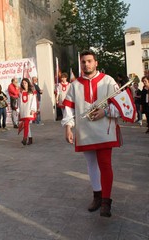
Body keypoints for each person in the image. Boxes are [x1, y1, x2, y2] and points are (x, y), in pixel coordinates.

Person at [62, 50, 121, 217]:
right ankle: (97, 195)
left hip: (105, 130)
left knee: (105, 164)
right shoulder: (74, 85)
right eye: (83, 62)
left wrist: (106, 111)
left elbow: (121, 104)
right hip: (85, 130)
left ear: (96, 63)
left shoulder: (108, 81)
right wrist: (68, 126)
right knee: (91, 164)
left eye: (89, 61)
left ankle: (106, 201)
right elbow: (69, 108)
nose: (86, 64)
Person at [18, 78, 37, 145]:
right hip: (23, 110)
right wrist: (19, 110)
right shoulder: (21, 92)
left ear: (28, 83)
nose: (24, 84)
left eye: (25, 83)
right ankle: (30, 138)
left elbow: (34, 101)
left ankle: (25, 138)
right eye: (23, 83)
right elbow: (19, 102)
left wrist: (33, 109)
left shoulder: (31, 92)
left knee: (26, 123)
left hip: (29, 110)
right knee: (27, 125)